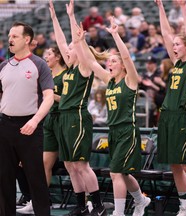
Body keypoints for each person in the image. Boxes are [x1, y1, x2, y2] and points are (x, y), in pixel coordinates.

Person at [71, 8, 151, 215]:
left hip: (128, 130)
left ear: (123, 66)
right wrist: (80, 41)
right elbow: (88, 62)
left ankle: (118, 212)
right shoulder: (109, 80)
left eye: (114, 61)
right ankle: (140, 200)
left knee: (115, 172)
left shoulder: (130, 80)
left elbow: (127, 56)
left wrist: (115, 34)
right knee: (123, 174)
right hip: (113, 130)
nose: (109, 63)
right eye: (109, 61)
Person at [49, 0, 108, 215]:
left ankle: (99, 206)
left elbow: (74, 41)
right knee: (69, 165)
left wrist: (73, 18)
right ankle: (81, 205)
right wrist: (55, 18)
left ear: (80, 50)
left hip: (78, 117)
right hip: (64, 117)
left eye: (72, 48)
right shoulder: (70, 69)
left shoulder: (84, 66)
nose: (67, 50)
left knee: (81, 165)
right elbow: (62, 40)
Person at [155, 0, 186, 215]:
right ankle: (185, 205)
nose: (174, 47)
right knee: (174, 165)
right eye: (173, 45)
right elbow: (166, 33)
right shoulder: (175, 63)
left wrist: (184, 8)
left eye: (178, 44)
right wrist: (160, 8)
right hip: (167, 116)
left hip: (183, 116)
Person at [0, 21, 54, 216]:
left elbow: (49, 97)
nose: (10, 39)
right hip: (5, 126)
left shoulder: (39, 64)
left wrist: (35, 120)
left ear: (27, 39)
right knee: (4, 179)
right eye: (9, 36)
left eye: (15, 36)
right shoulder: (4, 66)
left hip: (30, 126)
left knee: (36, 179)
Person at [16, 45, 68, 215]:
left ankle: (87, 201)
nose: (46, 57)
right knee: (42, 164)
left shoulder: (65, 76)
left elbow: (70, 100)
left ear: (58, 57)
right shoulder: (47, 76)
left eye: (49, 54)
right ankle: (38, 201)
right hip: (48, 121)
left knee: (75, 165)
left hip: (64, 120)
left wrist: (50, 95)